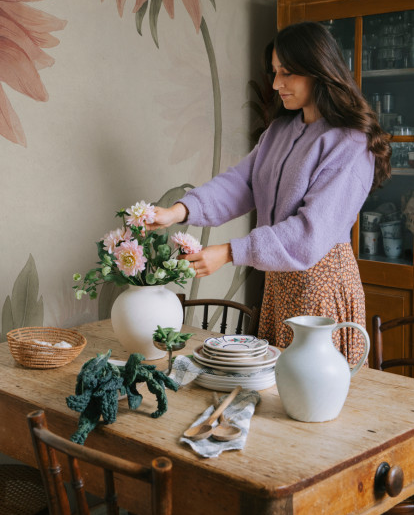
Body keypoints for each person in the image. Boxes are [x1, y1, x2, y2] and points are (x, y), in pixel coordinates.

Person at [148, 21, 392, 363]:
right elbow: (241, 183)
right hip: (279, 284)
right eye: (275, 72)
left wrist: (230, 252)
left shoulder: (350, 143)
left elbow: (310, 234)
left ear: (319, 71)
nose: (277, 84)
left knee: (312, 398)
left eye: (288, 73)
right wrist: (179, 212)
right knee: (275, 392)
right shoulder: (280, 130)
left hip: (320, 286)